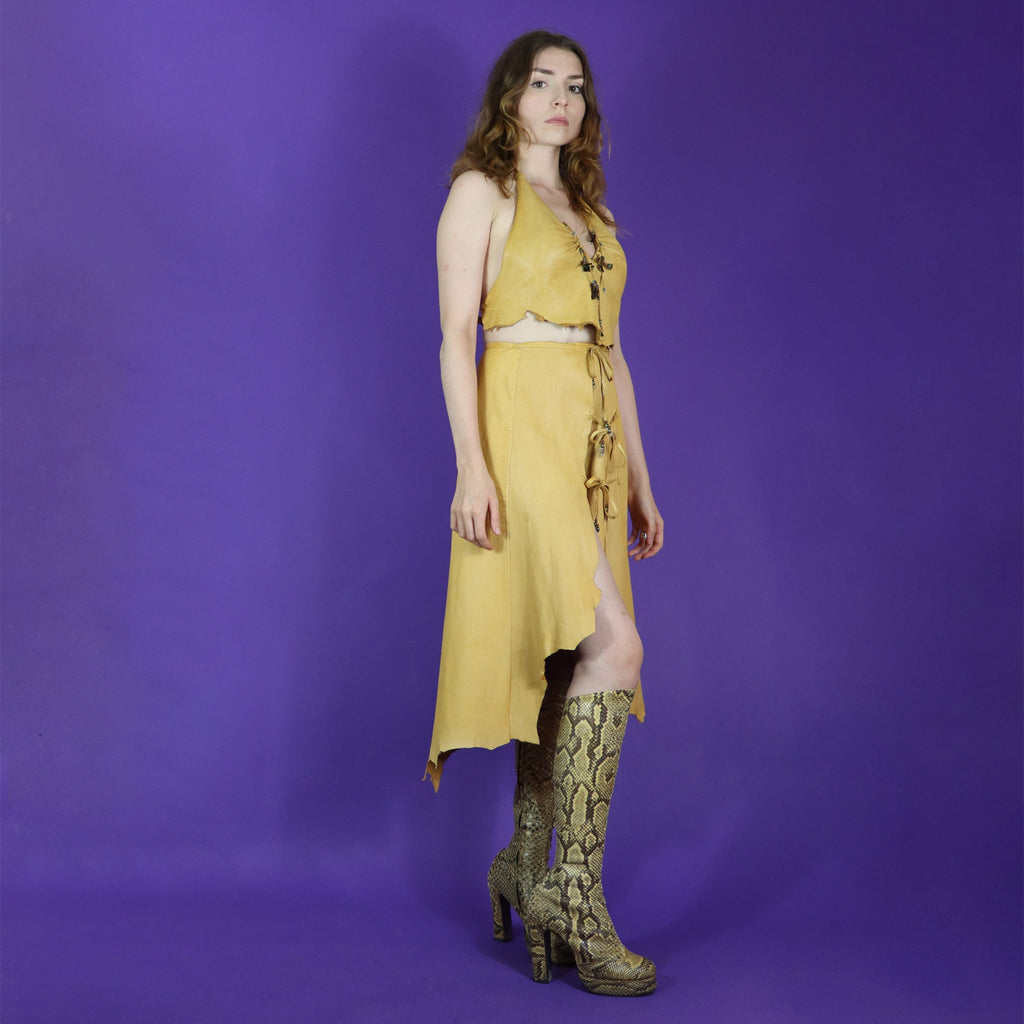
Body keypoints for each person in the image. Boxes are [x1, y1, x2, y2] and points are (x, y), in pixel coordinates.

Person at [424, 30, 663, 997]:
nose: (561, 99)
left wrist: (642, 477)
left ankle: (524, 861)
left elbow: (614, 352)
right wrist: (470, 468)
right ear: (510, 98)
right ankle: (574, 893)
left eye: (575, 86)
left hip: (592, 441)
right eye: (541, 82)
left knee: (566, 653)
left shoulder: (590, 209)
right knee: (616, 647)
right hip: (521, 427)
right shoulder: (481, 194)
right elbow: (455, 339)